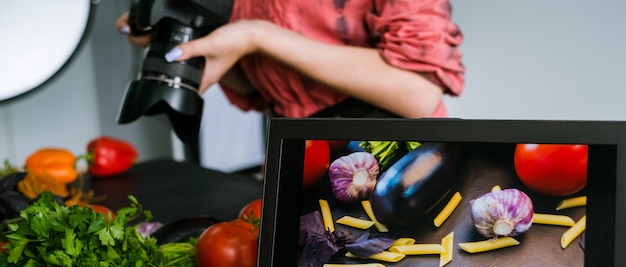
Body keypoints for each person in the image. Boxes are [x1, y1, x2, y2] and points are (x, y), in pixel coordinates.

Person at [117, 0, 464, 120]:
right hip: (294, 146)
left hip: (386, 145)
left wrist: (258, 35)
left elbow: (418, 90)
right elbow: (260, 85)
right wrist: (200, 40)